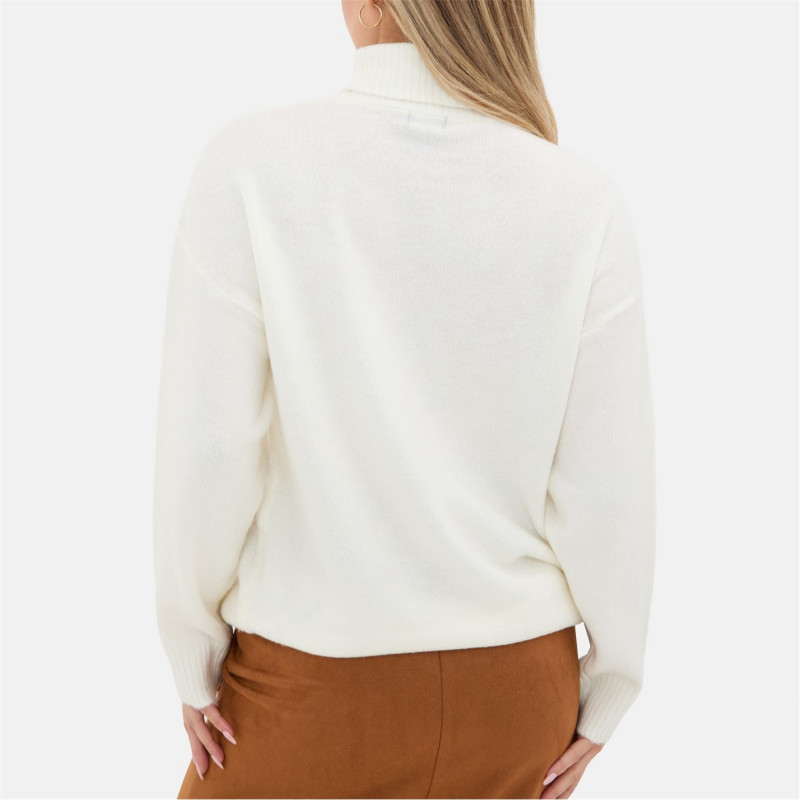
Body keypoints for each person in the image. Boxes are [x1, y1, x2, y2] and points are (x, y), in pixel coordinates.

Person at [152, 0, 657, 797]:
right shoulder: (583, 199)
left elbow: (211, 451)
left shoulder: (252, 163)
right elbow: (606, 483)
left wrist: (193, 653)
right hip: (519, 696)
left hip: (311, 685)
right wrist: (612, 683)